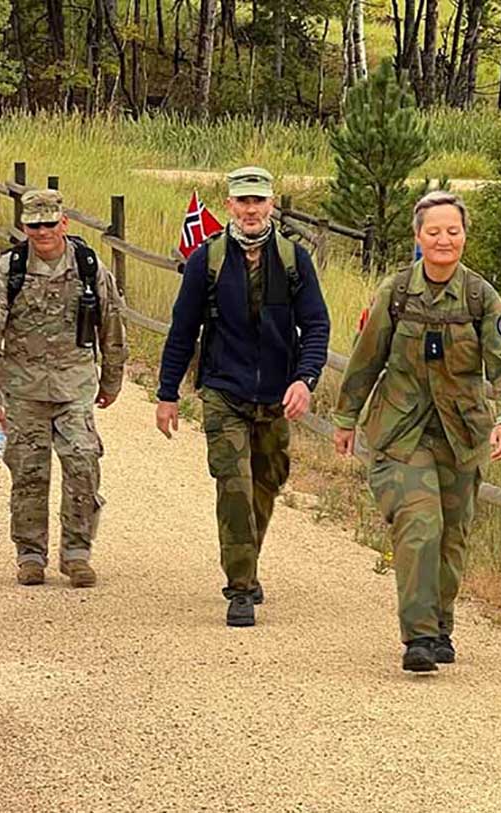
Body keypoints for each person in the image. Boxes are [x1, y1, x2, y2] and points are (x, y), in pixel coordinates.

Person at [332, 191, 501, 672]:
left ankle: (439, 623)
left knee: (452, 535)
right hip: (401, 431)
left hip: (462, 435)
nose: (444, 240)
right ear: (418, 237)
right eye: (434, 231)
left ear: (465, 236)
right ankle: (418, 637)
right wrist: (345, 417)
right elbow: (366, 357)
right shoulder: (396, 293)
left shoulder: (481, 297)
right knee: (421, 526)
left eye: (453, 231)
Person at [155, 166, 331, 627]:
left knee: (266, 482)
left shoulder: (294, 259)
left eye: (258, 201)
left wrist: (304, 379)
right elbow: (182, 329)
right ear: (229, 204)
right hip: (223, 390)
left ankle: (246, 563)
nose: (251, 210)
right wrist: (167, 393)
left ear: (271, 204)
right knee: (233, 485)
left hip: (276, 394)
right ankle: (240, 587)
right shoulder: (207, 259)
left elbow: (316, 326)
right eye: (242, 201)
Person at [0, 189, 127, 588]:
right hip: (22, 390)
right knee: (28, 473)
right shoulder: (9, 270)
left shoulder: (89, 267)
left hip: (74, 385)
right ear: (24, 227)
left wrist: (112, 379)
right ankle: (30, 555)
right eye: (34, 225)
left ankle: (77, 552)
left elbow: (111, 325)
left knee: (83, 464)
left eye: (49, 223)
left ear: (64, 223)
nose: (42, 231)